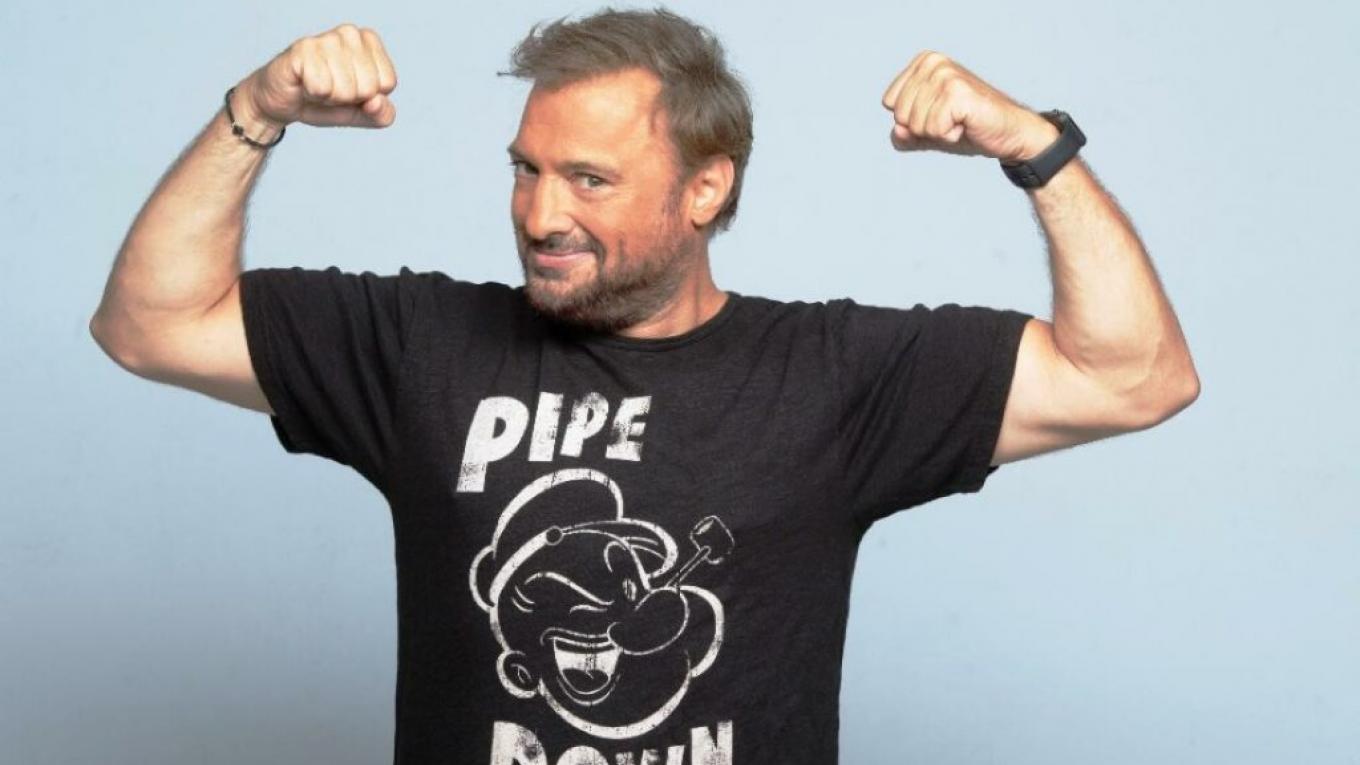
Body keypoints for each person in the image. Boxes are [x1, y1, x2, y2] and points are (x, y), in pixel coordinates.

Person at [90, 8, 1199, 764]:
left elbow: (1134, 378)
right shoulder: (422, 344)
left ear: (705, 189)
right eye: (526, 169)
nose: (541, 214)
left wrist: (1036, 149)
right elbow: (149, 325)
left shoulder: (833, 375)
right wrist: (256, 109)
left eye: (590, 179)